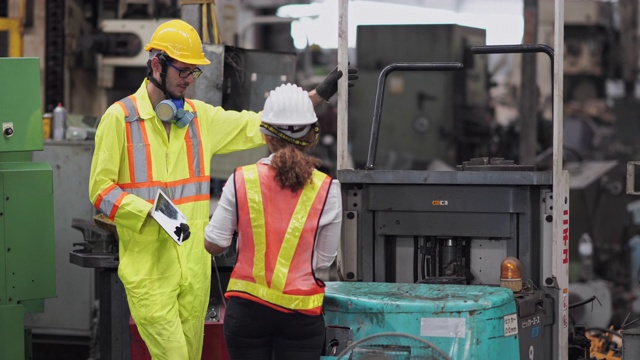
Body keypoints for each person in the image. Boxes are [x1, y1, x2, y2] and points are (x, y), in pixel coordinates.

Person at [88, 19, 355, 360]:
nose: (189, 80)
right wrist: (149, 212)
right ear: (157, 64)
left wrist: (314, 98)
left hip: (194, 269)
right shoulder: (120, 118)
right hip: (149, 270)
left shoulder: (199, 119)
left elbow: (257, 123)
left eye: (193, 73)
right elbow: (100, 190)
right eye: (183, 71)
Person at [204, 83, 342, 360]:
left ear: (266, 136)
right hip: (301, 314)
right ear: (312, 136)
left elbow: (215, 243)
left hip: (247, 313)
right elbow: (324, 261)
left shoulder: (241, 179)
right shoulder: (329, 189)